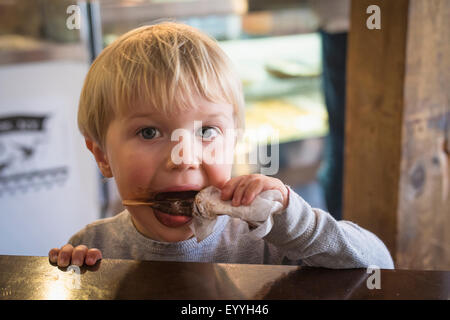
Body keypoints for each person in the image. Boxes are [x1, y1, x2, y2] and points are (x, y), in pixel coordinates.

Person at [48, 22, 394, 269]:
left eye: (207, 131)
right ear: (102, 156)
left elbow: (380, 265)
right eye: (150, 133)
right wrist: (75, 276)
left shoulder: (268, 240)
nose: (183, 158)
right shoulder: (94, 246)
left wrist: (295, 222)